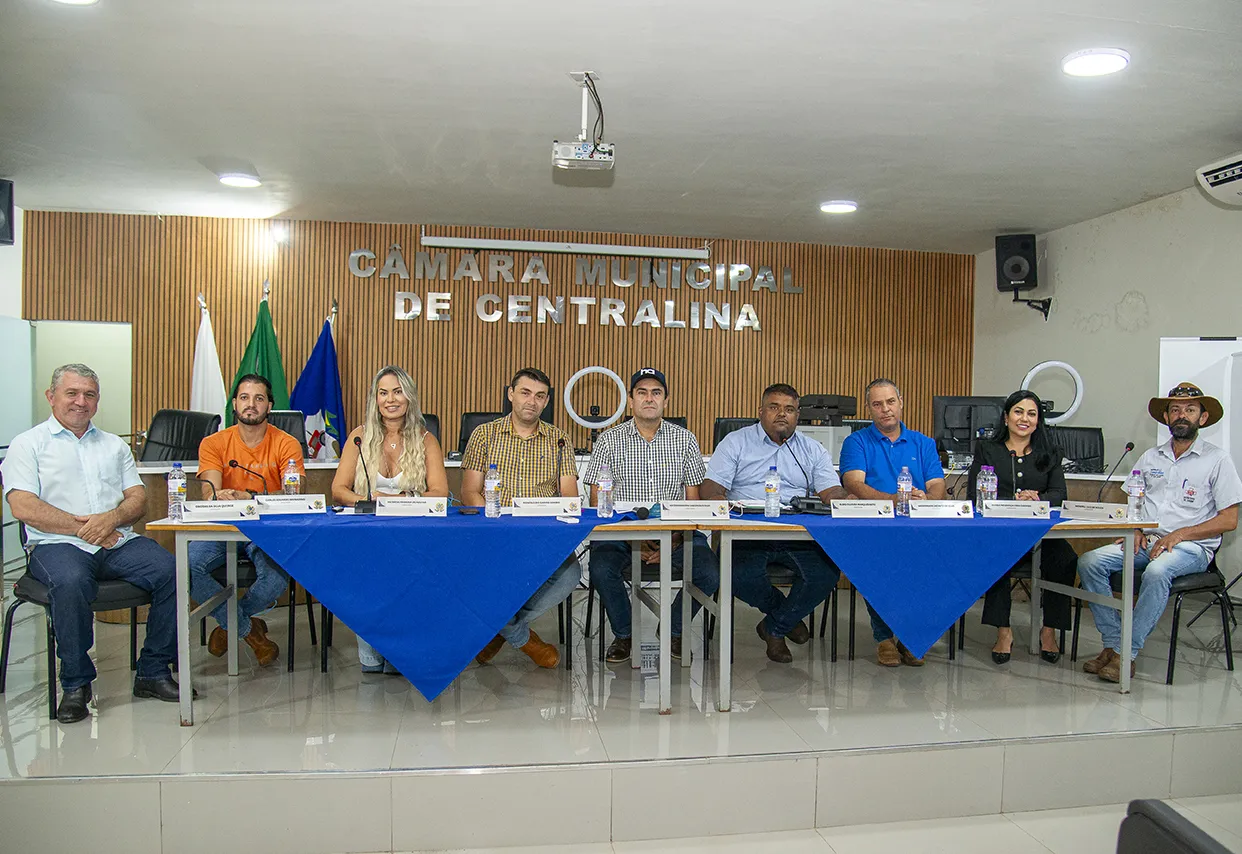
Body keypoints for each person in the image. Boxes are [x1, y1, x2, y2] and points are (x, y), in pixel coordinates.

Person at [1, 364, 186, 723]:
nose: (80, 402)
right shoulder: (28, 444)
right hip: (54, 545)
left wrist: (111, 519)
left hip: (115, 541)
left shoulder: (113, 445)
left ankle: (152, 671)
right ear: (51, 397)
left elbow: (137, 499)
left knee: (171, 569)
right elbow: (22, 505)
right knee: (71, 582)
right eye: (72, 393)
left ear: (97, 401)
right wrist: (84, 527)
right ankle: (75, 684)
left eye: (89, 394)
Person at [1079, 382, 1241, 683]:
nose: (1182, 415)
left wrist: (1179, 535)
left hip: (1192, 548)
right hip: (1148, 541)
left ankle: (1125, 654)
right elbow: (1134, 499)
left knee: (1157, 572)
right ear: (1166, 417)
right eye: (1175, 410)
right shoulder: (1151, 457)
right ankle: (1113, 644)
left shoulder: (1218, 460)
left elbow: (1229, 520)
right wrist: (1137, 527)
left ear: (1202, 419)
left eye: (1190, 410)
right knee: (1090, 562)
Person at [701, 383, 848, 663]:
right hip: (747, 531)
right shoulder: (736, 442)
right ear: (761, 411)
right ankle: (785, 619)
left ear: (797, 415)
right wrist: (722, 503)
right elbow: (711, 487)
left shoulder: (811, 449)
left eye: (789, 409)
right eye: (774, 407)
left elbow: (831, 492)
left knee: (827, 573)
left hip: (796, 532)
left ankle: (773, 627)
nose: (782, 414)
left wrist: (845, 496)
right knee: (737, 575)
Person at [583, 368, 720, 663]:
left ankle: (673, 629)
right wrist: (634, 538)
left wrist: (675, 539)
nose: (649, 398)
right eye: (642, 392)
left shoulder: (685, 440)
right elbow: (598, 501)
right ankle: (624, 633)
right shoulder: (609, 441)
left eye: (656, 393)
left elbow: (692, 502)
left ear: (666, 401)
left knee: (710, 572)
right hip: (621, 534)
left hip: (676, 534)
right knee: (600, 567)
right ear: (630, 400)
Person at [460, 367, 581, 669]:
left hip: (543, 536)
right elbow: (469, 493)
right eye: (525, 393)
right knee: (478, 577)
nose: (532, 401)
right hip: (494, 534)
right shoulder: (484, 435)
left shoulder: (559, 439)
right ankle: (524, 639)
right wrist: (496, 526)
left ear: (547, 401)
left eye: (540, 396)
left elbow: (569, 497)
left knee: (570, 573)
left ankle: (499, 631)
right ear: (510, 394)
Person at [332, 365, 448, 672]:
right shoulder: (359, 438)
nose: (390, 399)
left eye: (397, 392)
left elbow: (439, 493)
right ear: (375, 399)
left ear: (409, 397)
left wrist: (400, 500)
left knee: (407, 570)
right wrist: (369, 501)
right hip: (367, 531)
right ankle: (372, 652)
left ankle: (400, 650)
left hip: (413, 534)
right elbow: (338, 490)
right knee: (366, 569)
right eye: (383, 393)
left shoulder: (426, 440)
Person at [190, 373, 303, 667]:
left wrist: (249, 496)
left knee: (277, 576)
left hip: (266, 529)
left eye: (259, 398)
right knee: (189, 567)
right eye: (244, 398)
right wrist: (219, 495)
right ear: (234, 406)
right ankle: (249, 630)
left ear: (269, 406)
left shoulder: (287, 443)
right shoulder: (213, 443)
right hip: (222, 528)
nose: (251, 404)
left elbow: (292, 493)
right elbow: (210, 492)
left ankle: (227, 626)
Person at [966, 390, 1078, 665]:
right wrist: (1011, 502)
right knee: (995, 557)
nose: (1024, 419)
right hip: (1001, 534)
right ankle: (1003, 631)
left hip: (1042, 535)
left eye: (1031, 414)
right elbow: (973, 494)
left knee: (1065, 559)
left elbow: (1059, 493)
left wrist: (1037, 498)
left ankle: (1048, 630)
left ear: (1038, 421)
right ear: (1006, 417)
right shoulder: (987, 449)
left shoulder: (1050, 452)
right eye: (1018, 412)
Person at [839, 378, 946, 667]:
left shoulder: (923, 444)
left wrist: (926, 500)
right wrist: (894, 500)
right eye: (877, 404)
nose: (885, 409)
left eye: (890, 402)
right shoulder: (856, 442)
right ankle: (884, 637)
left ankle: (912, 635)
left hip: (920, 527)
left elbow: (938, 486)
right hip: (875, 527)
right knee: (878, 563)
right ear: (869, 409)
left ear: (901, 403)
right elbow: (854, 484)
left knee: (937, 563)